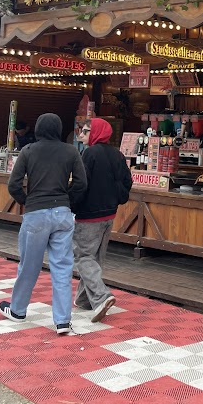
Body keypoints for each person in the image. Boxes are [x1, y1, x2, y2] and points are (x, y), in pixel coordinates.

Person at [0, 113, 87, 335]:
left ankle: (17, 310)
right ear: (59, 129)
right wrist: (68, 201)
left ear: (38, 128)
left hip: (35, 213)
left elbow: (13, 184)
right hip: (62, 213)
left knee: (29, 264)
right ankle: (62, 321)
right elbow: (81, 183)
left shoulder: (28, 151)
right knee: (62, 267)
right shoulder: (71, 151)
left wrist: (27, 201)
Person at [72, 118, 132, 322]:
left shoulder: (89, 153)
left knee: (83, 256)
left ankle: (101, 296)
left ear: (96, 132)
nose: (82, 135)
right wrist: (116, 198)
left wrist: (71, 203)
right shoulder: (117, 154)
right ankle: (84, 299)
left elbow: (81, 183)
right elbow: (127, 181)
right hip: (109, 214)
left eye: (86, 131)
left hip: (89, 214)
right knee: (95, 258)